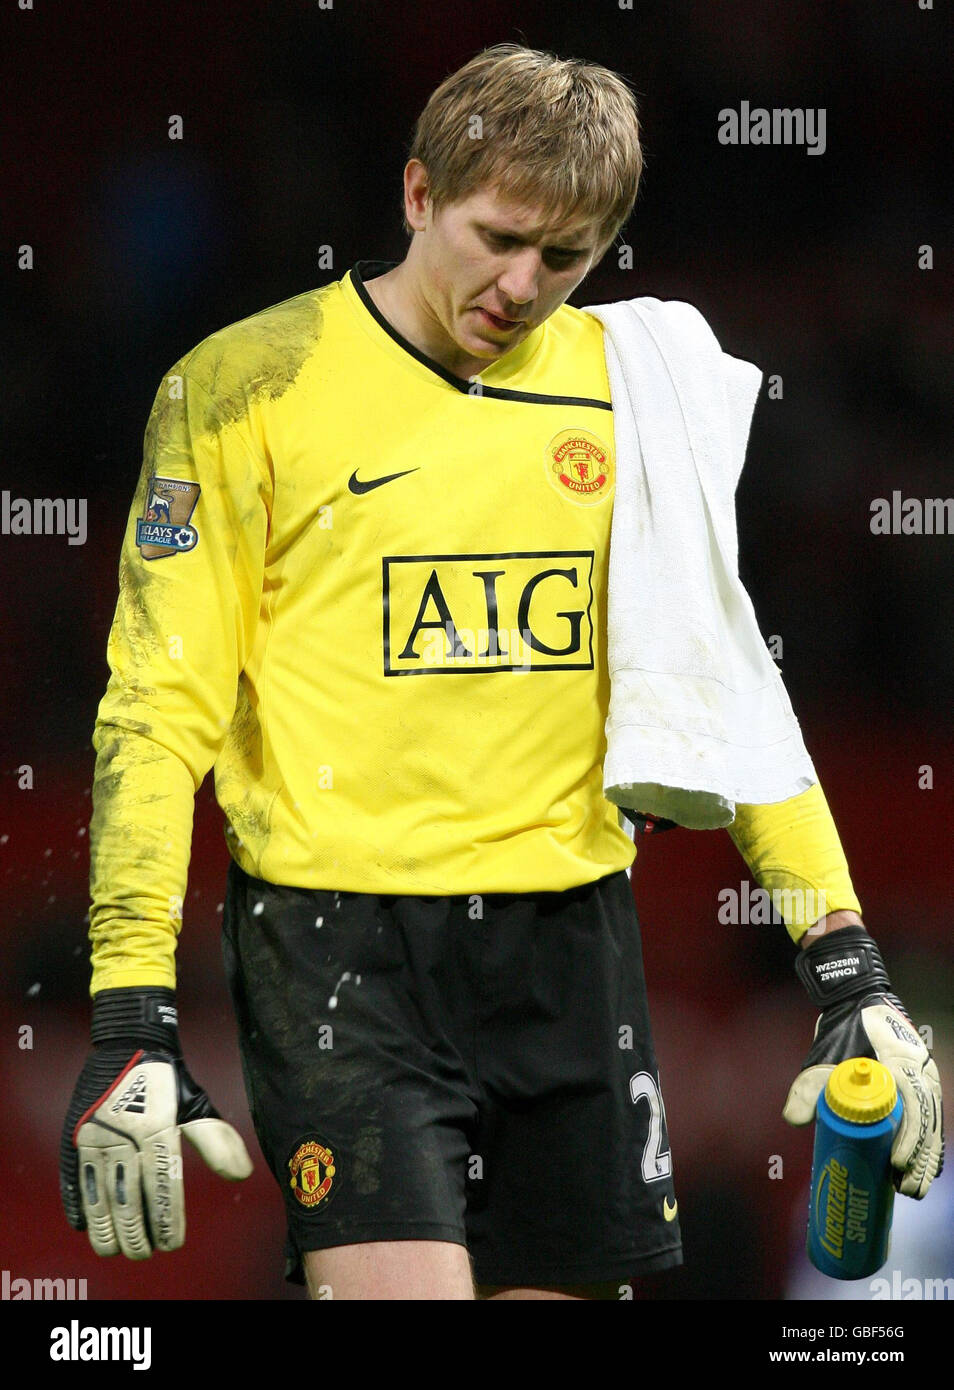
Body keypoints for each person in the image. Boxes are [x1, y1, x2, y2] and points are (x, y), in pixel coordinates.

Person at [59, 42, 943, 1301]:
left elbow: (720, 687)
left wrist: (849, 965)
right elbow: (155, 712)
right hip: (339, 949)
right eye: (498, 236)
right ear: (418, 194)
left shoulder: (638, 394)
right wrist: (130, 1010)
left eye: (567, 256)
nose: (522, 285)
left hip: (571, 946)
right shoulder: (242, 388)